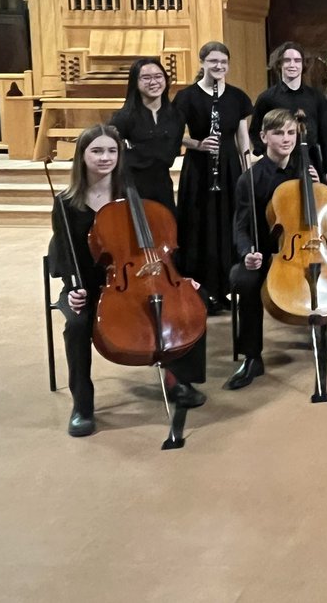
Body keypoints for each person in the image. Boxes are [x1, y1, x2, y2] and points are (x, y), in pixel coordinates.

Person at [51, 125, 205, 437]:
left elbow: (159, 244)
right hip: (86, 284)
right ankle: (82, 403)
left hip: (139, 277)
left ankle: (177, 381)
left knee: (184, 306)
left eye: (111, 151)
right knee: (78, 326)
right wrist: (72, 289)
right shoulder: (67, 203)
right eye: (96, 151)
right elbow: (63, 252)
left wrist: (176, 276)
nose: (105, 157)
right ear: (82, 156)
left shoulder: (133, 196)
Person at [226, 108, 323, 389]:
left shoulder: (306, 170)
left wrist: (319, 190)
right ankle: (252, 357)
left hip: (305, 248)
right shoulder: (250, 179)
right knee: (245, 280)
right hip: (268, 253)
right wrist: (248, 254)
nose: (286, 139)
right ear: (263, 136)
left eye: (291, 133)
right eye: (279, 133)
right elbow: (241, 227)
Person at [174, 41, 253, 313]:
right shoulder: (186, 97)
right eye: (213, 62)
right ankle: (201, 290)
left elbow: (243, 137)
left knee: (227, 224)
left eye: (223, 62)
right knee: (199, 225)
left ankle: (226, 290)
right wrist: (197, 144)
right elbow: (174, 133)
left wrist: (247, 166)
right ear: (202, 63)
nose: (218, 66)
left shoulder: (237, 97)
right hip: (198, 168)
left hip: (229, 166)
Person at [251, 42, 327, 186]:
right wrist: (266, 157)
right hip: (278, 164)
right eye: (287, 60)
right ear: (279, 64)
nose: (292, 65)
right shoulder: (267, 98)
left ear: (303, 65)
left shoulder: (316, 97)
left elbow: (326, 136)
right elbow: (255, 132)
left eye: (297, 61)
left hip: (309, 161)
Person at [109, 57, 185, 213]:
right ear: (135, 82)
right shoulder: (124, 117)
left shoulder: (176, 116)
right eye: (146, 78)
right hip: (131, 186)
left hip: (162, 185)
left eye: (158, 76)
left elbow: (173, 148)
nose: (153, 82)